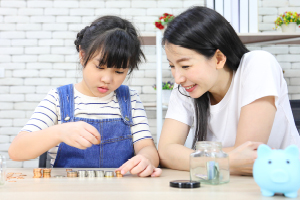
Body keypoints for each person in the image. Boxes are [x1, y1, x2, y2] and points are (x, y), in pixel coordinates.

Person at [9, 16, 161, 177]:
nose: (107, 79)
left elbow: (146, 146)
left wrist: (146, 158)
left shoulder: (130, 99)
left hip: (119, 190)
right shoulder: (58, 99)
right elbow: (17, 151)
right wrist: (59, 132)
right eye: (100, 67)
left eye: (119, 71)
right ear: (82, 56)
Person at [158, 6, 300, 175]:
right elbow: (166, 151)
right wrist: (224, 161)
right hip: (224, 184)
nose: (178, 77)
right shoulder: (185, 86)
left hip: (280, 182)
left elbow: (248, 156)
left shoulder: (258, 64)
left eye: (185, 65)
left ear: (218, 58)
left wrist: (197, 160)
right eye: (172, 66)